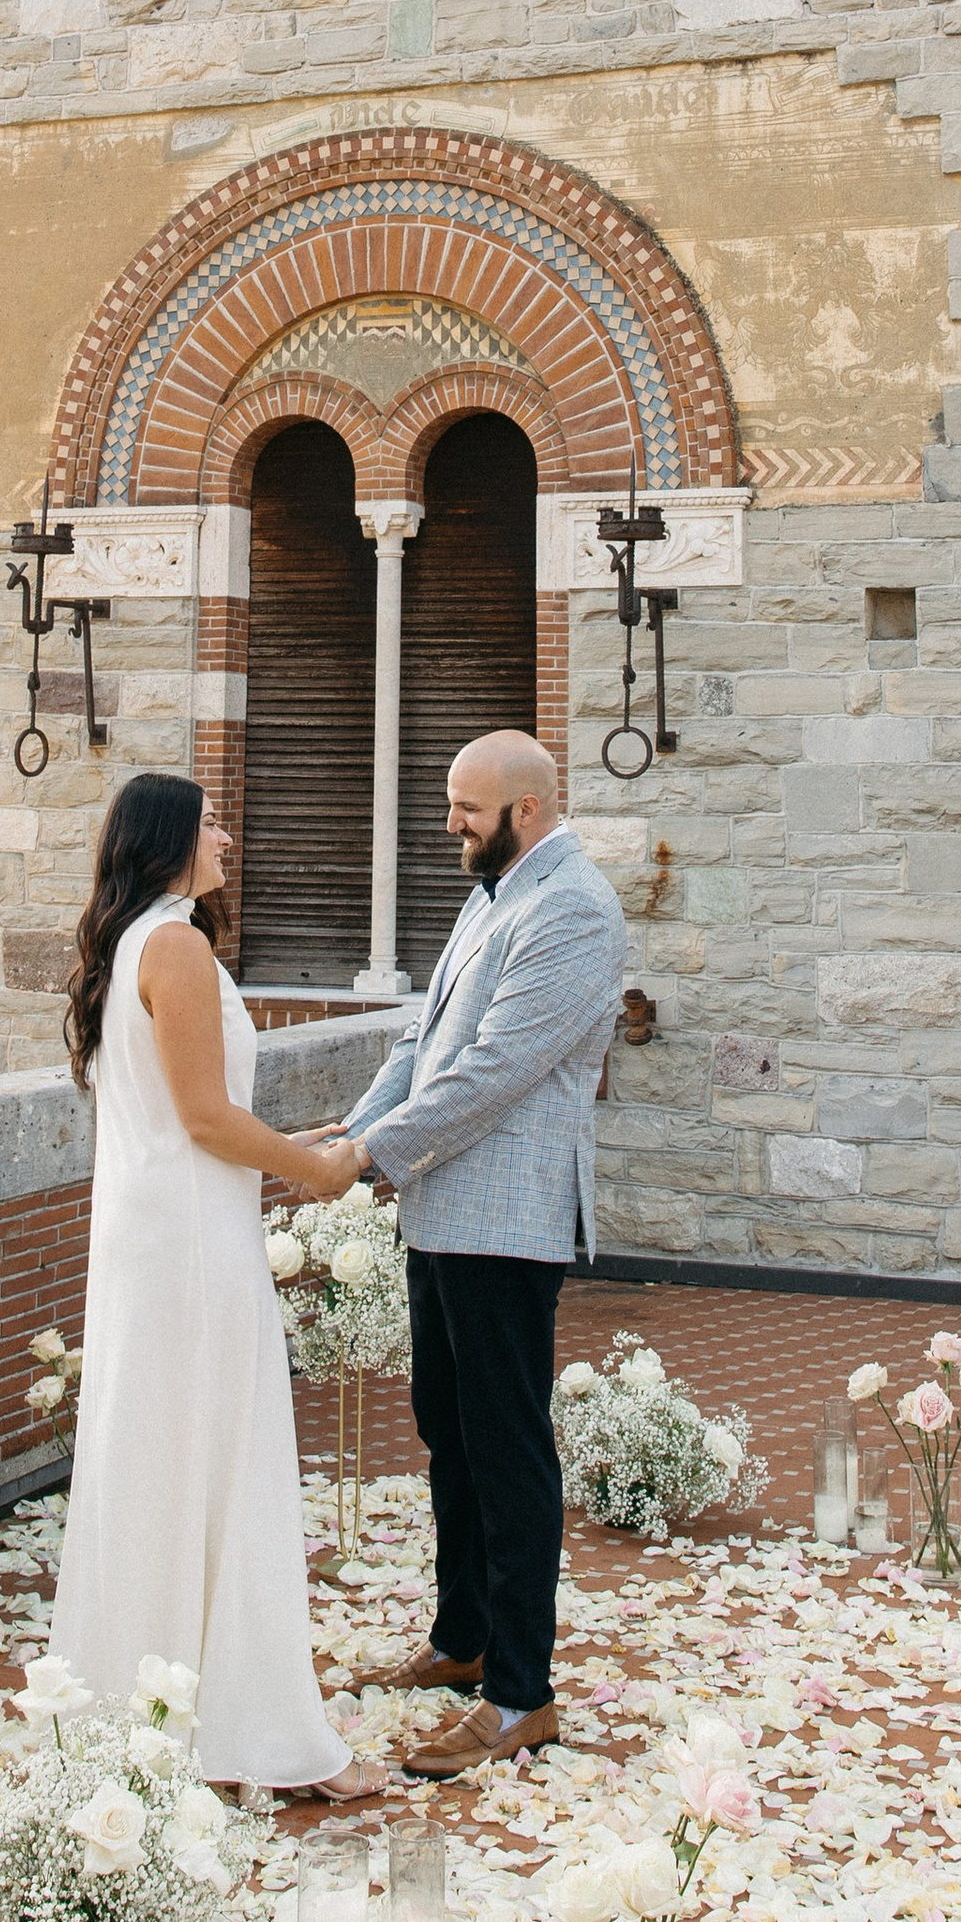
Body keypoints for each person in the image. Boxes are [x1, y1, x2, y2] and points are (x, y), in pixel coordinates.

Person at [48, 769, 386, 1800]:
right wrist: (318, 1167)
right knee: (222, 1463)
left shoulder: (132, 945)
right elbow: (202, 1116)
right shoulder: (178, 943)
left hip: (159, 1237)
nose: (228, 837)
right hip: (195, 1246)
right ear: (164, 842)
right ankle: (263, 1737)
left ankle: (146, 1713)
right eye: (210, 824)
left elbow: (187, 1111)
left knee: (158, 1461)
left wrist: (287, 1141)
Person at [312, 729, 626, 1777]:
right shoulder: (491, 895)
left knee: (505, 1446)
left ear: (525, 811)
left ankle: (519, 1695)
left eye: (464, 808)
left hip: (506, 1219)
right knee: (445, 1432)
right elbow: (423, 1042)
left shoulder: (572, 908)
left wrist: (368, 1155)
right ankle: (462, 1639)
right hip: (442, 1207)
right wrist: (345, 1134)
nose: (448, 824)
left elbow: (495, 1070)